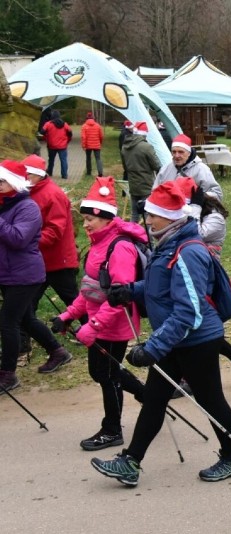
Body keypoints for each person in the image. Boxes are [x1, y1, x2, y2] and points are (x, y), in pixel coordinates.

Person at [93, 181, 231, 485]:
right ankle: (131, 462)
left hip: (198, 340)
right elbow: (159, 288)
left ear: (171, 216)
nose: (148, 220)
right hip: (177, 339)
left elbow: (189, 311)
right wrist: (130, 292)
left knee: (210, 400)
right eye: (147, 214)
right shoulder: (168, 243)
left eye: (153, 215)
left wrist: (153, 347)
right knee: (154, 399)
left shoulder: (187, 251)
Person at [52, 177, 148, 450]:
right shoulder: (99, 243)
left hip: (114, 324)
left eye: (89, 219)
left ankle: (112, 430)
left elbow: (119, 299)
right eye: (83, 219)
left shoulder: (119, 248)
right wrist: (68, 315)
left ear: (106, 218)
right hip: (100, 323)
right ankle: (147, 395)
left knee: (106, 375)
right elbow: (90, 290)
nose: (85, 225)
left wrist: (92, 325)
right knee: (105, 372)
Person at [0, 160, 72, 391]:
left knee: (8, 322)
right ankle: (58, 351)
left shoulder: (27, 208)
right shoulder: (5, 205)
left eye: (1, 181)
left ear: (14, 183)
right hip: (7, 272)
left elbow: (18, 238)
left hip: (24, 274)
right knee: (26, 319)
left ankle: (8, 374)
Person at [178, 177, 231, 386]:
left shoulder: (215, 218)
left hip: (207, 277)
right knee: (196, 325)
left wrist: (193, 210)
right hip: (186, 272)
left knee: (199, 325)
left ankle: (189, 377)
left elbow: (195, 235)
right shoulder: (190, 215)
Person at [20, 154, 79, 371]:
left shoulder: (52, 194)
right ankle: (21, 345)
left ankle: (98, 334)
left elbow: (54, 231)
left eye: (28, 175)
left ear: (38, 175)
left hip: (58, 260)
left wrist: (25, 241)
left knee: (74, 301)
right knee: (27, 305)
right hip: (38, 261)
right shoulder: (30, 192)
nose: (24, 178)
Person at [153, 134, 224, 204]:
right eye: (174, 152)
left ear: (189, 153)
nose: (176, 155)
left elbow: (217, 194)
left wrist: (197, 197)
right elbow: (154, 192)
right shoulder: (165, 169)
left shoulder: (201, 170)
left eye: (181, 152)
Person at [122, 122, 161, 223]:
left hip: (133, 184)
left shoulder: (125, 146)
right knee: (149, 215)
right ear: (145, 134)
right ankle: (150, 239)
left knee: (134, 215)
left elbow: (125, 167)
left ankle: (132, 236)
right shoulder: (147, 147)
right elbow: (157, 166)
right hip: (146, 184)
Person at [39, 110, 72, 179]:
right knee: (63, 160)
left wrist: (46, 137)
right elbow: (70, 133)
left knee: (51, 160)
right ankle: (64, 175)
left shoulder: (48, 124)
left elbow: (42, 131)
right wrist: (67, 141)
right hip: (62, 146)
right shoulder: (65, 124)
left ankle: (50, 172)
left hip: (51, 145)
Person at [80, 111, 104, 177]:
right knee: (98, 159)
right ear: (93, 118)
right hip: (97, 145)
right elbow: (101, 136)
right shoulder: (98, 126)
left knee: (88, 158)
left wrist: (83, 146)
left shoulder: (84, 126)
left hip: (88, 145)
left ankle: (88, 172)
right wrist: (100, 143)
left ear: (86, 118)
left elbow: (83, 137)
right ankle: (100, 173)